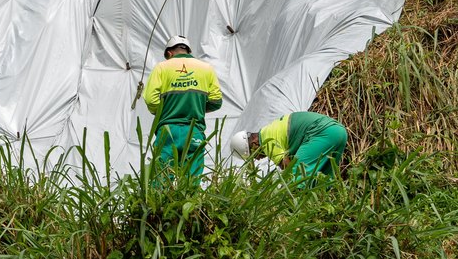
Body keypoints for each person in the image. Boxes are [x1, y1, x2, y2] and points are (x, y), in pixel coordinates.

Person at [143, 35, 223, 177]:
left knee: (161, 179)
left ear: (169, 53)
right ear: (188, 51)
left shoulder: (161, 68)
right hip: (194, 130)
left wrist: (166, 110)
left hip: (167, 130)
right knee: (191, 181)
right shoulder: (206, 69)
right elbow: (216, 101)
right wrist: (195, 106)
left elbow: (151, 100)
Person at [230, 112, 348, 184]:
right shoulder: (270, 130)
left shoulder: (266, 141)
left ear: (254, 144)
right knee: (322, 182)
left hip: (322, 133)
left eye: (254, 155)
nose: (258, 159)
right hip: (339, 132)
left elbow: (288, 168)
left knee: (296, 180)